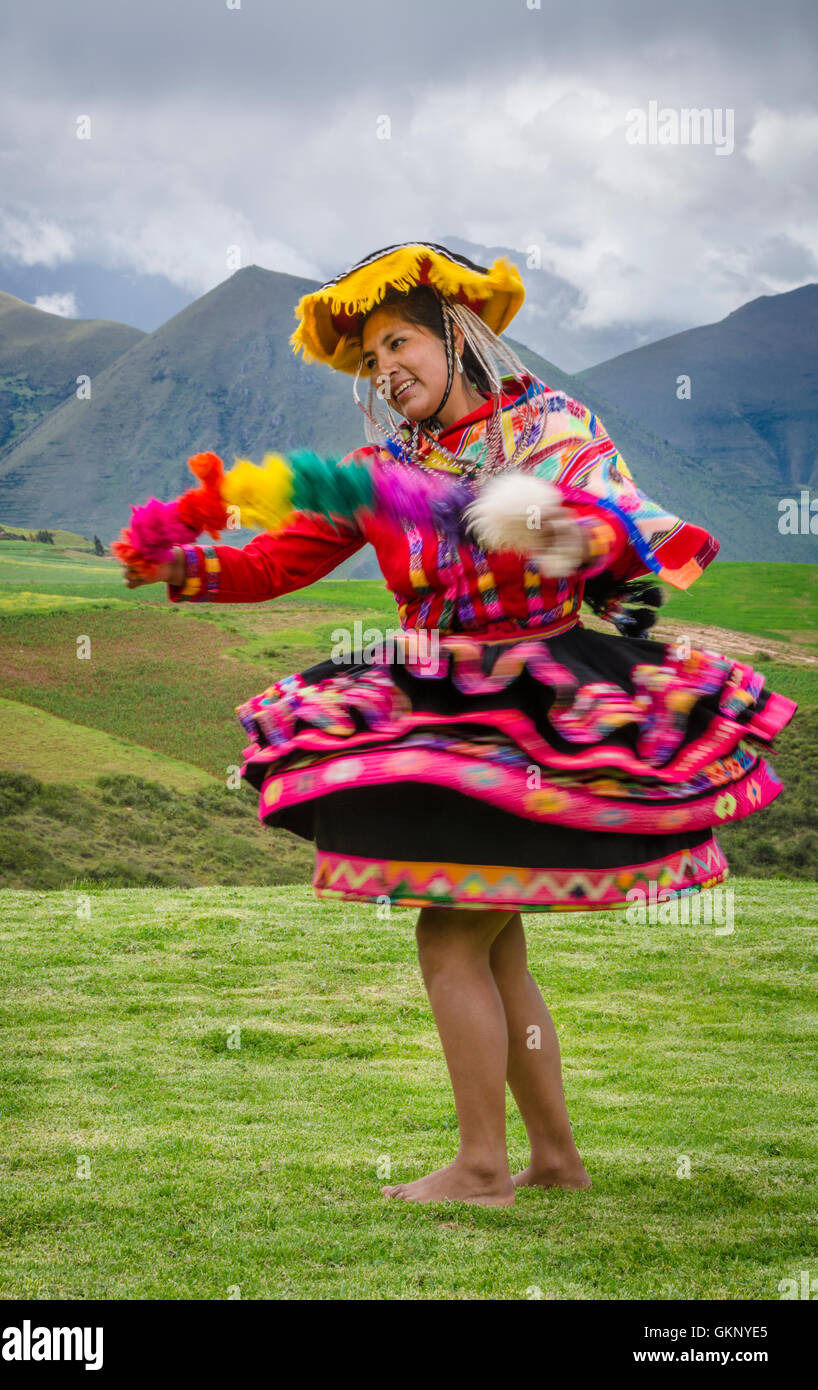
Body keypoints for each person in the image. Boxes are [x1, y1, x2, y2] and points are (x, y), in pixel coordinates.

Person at [121, 242, 796, 1207]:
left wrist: (560, 532)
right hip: (436, 702)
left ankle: (483, 1168)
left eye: (399, 342)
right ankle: (555, 1162)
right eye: (369, 360)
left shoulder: (555, 431)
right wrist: (179, 567)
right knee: (492, 940)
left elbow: (623, 547)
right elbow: (276, 563)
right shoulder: (378, 470)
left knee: (450, 939)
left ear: (457, 336)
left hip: (538, 708)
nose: (386, 369)